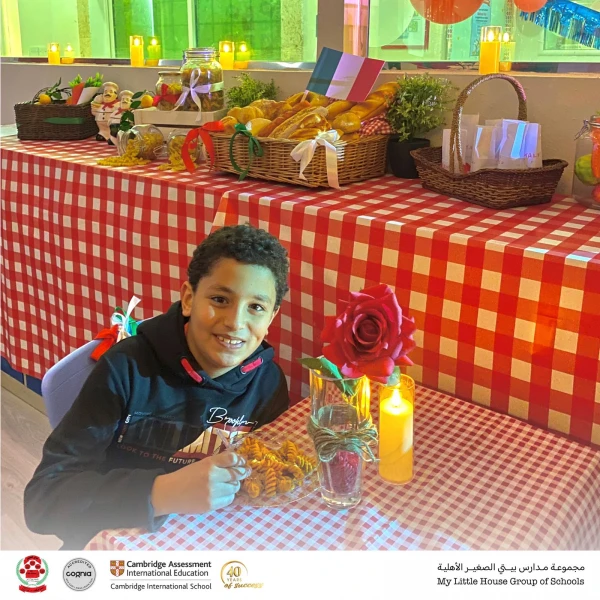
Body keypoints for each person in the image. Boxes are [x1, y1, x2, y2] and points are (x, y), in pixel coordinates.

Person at [24, 224, 290, 549]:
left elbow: (263, 477)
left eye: (256, 307)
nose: (235, 322)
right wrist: (160, 493)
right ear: (189, 298)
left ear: (271, 317)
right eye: (220, 299)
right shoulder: (126, 369)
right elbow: (42, 502)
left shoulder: (268, 384)